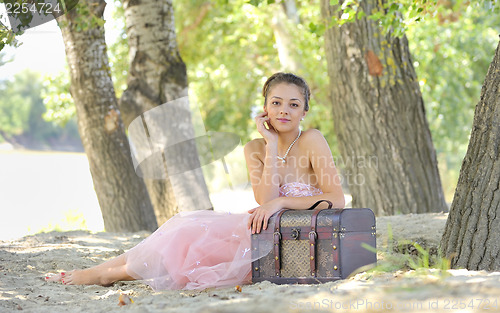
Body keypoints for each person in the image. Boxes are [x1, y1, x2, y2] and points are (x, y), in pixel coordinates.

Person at [45, 72, 345, 291]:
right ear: (264, 108)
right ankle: (99, 270)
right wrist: (270, 144)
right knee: (183, 227)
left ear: (304, 111)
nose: (284, 110)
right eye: (276, 102)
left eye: (294, 105)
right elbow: (264, 199)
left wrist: (282, 202)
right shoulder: (256, 148)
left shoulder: (312, 140)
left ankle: (109, 274)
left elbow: (336, 198)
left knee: (189, 248)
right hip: (261, 228)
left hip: (293, 236)